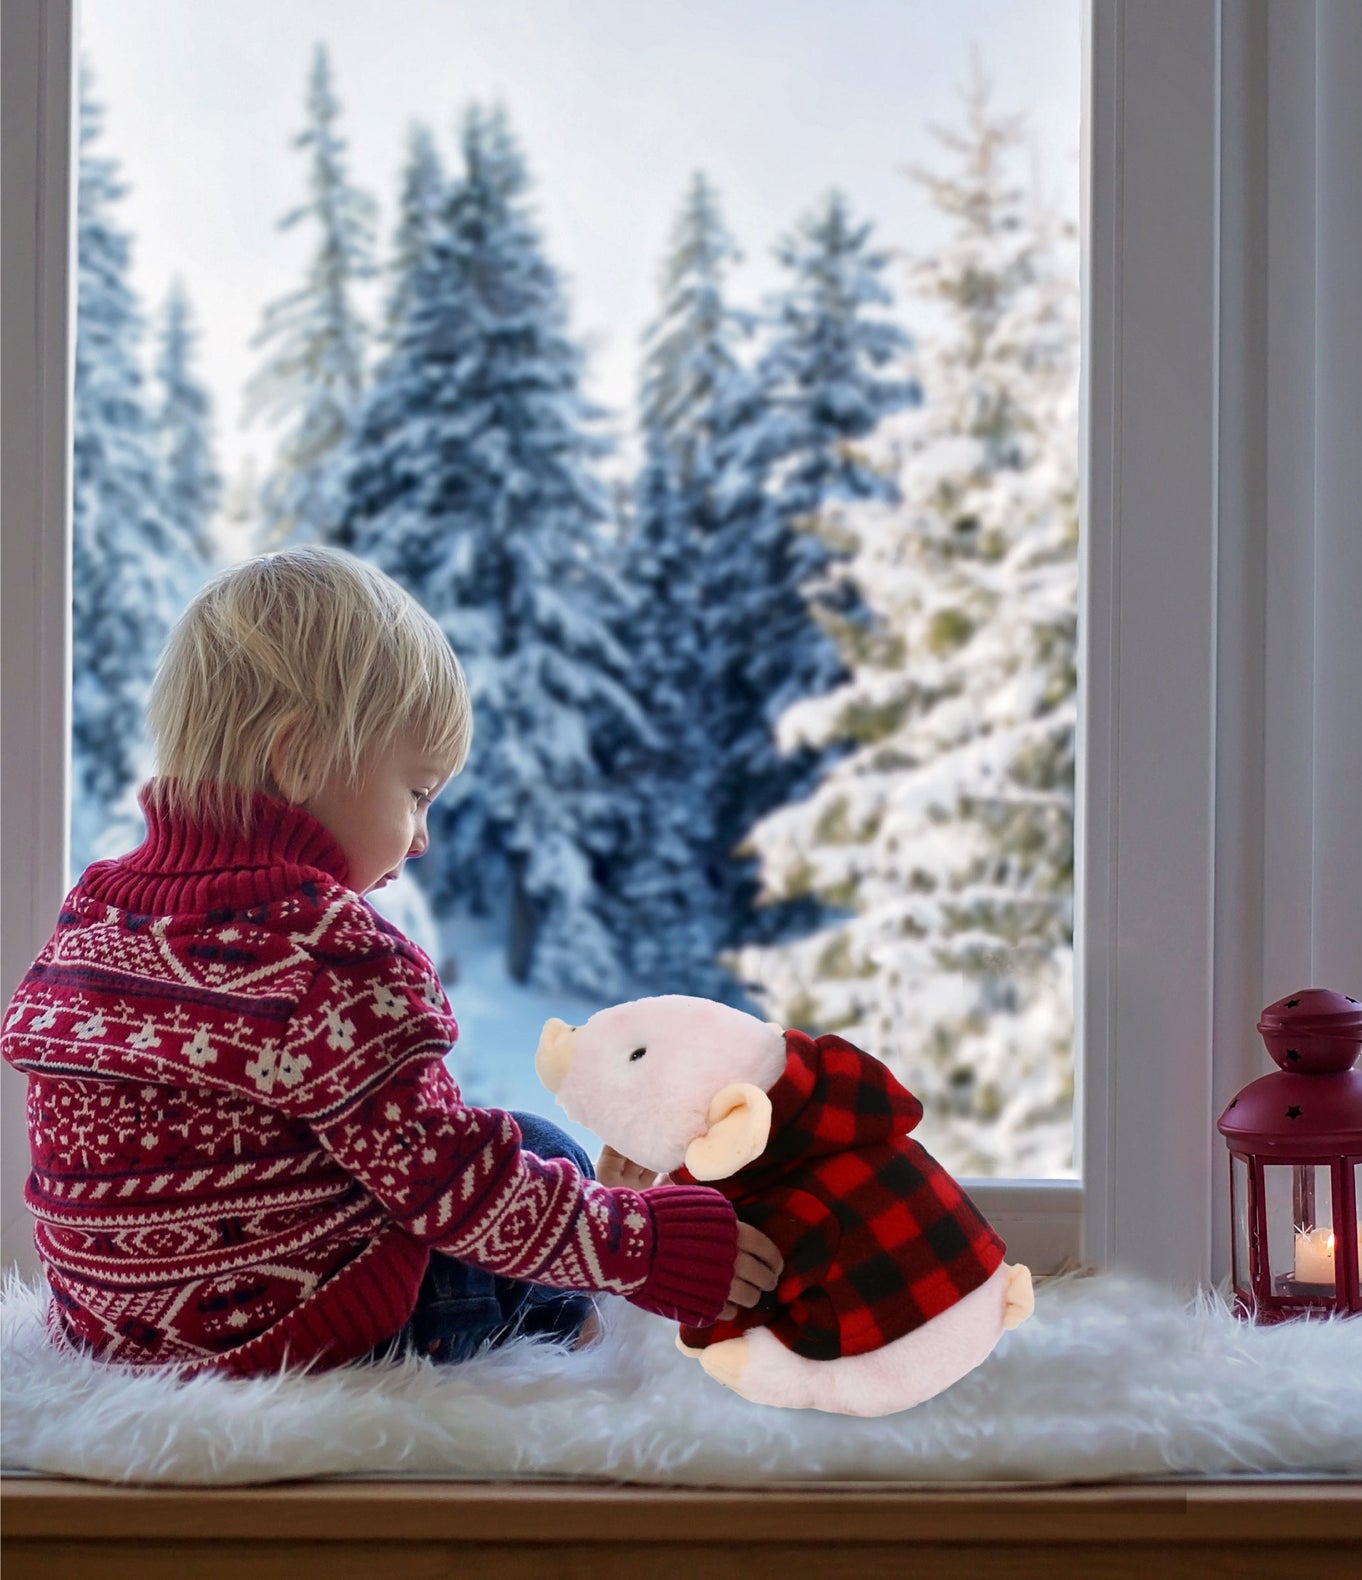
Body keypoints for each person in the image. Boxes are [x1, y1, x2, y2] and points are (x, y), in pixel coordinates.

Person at [0, 546, 782, 1374]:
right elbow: (454, 1190)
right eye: (415, 793)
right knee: (541, 1145)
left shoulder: (95, 912)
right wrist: (650, 1246)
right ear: (298, 758)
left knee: (485, 1149)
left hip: (108, 1329)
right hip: (301, 1334)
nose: (420, 838)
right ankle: (576, 1326)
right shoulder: (332, 955)